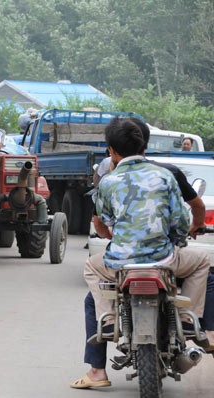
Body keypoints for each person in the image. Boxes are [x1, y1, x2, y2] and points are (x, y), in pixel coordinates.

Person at [71, 117, 211, 389]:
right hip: (164, 261)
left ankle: (108, 321)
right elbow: (182, 221)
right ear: (144, 145)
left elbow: (101, 224)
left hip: (122, 263)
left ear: (111, 151)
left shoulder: (109, 182)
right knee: (202, 261)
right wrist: (179, 234)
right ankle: (187, 317)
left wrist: (113, 236)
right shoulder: (166, 175)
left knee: (91, 267)